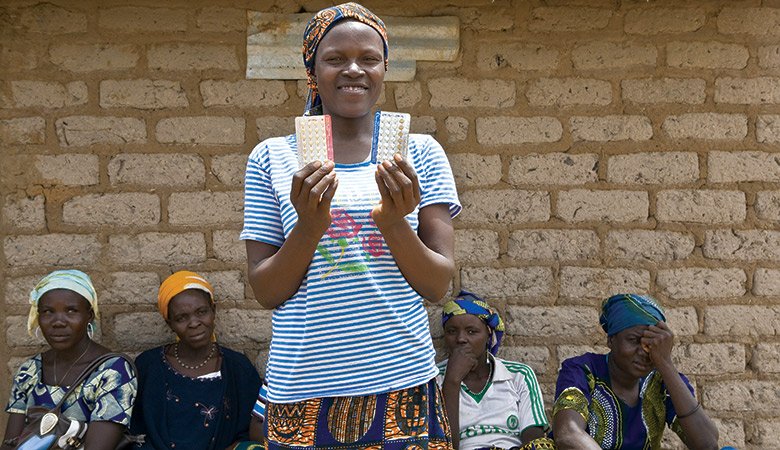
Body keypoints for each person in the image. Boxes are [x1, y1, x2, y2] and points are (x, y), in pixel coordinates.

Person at [241, 2, 461, 448]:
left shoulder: (418, 153)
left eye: (369, 59)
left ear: (385, 68)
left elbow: (438, 285)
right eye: (335, 59)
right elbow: (266, 292)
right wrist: (309, 226)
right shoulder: (274, 157)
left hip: (402, 380)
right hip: (304, 387)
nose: (354, 70)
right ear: (313, 69)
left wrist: (393, 222)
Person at [552, 293, 720, 450]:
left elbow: (708, 444)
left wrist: (665, 364)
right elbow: (568, 434)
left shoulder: (663, 380)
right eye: (633, 340)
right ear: (611, 340)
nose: (643, 351)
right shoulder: (583, 370)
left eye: (651, 344)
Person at [2, 270, 137, 450]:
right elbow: (10, 443)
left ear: (89, 315)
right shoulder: (30, 370)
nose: (58, 322)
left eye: (71, 311)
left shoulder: (113, 371)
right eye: (48, 312)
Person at [130, 271, 262, 450]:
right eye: (181, 318)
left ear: (213, 311)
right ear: (170, 324)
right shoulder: (149, 366)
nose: (194, 323)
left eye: (202, 312)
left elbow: (251, 432)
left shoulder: (237, 369)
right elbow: (135, 431)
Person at [437, 290, 554, 450]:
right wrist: (452, 381)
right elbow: (442, 445)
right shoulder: (434, 379)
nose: (461, 339)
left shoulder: (519, 375)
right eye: (452, 331)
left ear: (488, 335)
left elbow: (534, 437)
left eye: (472, 331)